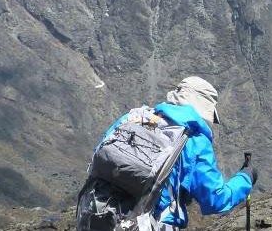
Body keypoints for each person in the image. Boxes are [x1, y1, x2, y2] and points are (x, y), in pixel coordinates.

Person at [77, 76, 255, 230]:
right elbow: (215, 199)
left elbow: (98, 157)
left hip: (95, 216)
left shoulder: (133, 118)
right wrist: (246, 178)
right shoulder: (194, 139)